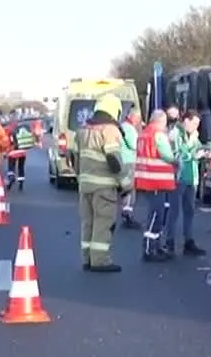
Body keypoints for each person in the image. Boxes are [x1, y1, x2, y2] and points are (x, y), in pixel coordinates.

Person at [74, 96, 127, 272]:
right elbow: (114, 159)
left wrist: (79, 176)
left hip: (85, 186)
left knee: (87, 222)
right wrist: (125, 184)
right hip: (104, 187)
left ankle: (86, 258)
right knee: (103, 223)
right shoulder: (110, 130)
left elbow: (73, 157)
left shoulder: (82, 130)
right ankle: (100, 260)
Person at [132, 110, 179, 261]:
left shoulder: (143, 134)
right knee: (155, 216)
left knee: (156, 214)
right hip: (157, 180)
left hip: (147, 179)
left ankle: (155, 247)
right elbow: (167, 155)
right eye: (165, 121)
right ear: (160, 121)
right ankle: (149, 249)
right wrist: (176, 160)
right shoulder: (158, 134)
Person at [172, 110, 208, 258]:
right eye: (194, 124)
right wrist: (193, 155)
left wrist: (206, 152)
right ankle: (169, 242)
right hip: (178, 178)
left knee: (189, 211)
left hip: (191, 178)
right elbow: (175, 153)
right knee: (173, 212)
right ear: (186, 120)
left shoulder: (194, 135)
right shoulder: (175, 133)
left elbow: (198, 148)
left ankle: (189, 241)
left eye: (198, 125)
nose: (196, 127)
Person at [6, 117, 36, 190]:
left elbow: (9, 143)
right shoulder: (21, 131)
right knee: (21, 167)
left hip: (13, 152)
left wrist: (5, 152)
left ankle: (11, 177)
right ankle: (21, 183)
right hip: (22, 152)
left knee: (11, 166)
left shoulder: (10, 132)